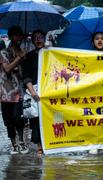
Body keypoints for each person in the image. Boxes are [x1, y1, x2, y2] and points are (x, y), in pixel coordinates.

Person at [0, 26, 28, 154]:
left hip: (19, 91)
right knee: (8, 120)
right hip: (6, 92)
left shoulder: (23, 52)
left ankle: (21, 141)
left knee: (18, 117)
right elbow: (7, 69)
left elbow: (24, 73)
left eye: (20, 35)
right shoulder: (4, 52)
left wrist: (23, 58)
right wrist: (19, 58)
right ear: (11, 37)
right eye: (15, 35)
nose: (18, 38)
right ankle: (14, 144)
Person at [22, 30, 46, 156]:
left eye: (41, 37)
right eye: (36, 38)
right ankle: (39, 147)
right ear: (32, 41)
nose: (38, 40)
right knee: (36, 120)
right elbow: (26, 77)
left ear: (45, 39)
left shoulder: (51, 54)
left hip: (50, 92)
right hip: (35, 91)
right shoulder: (29, 56)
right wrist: (33, 92)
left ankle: (55, 143)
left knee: (56, 118)